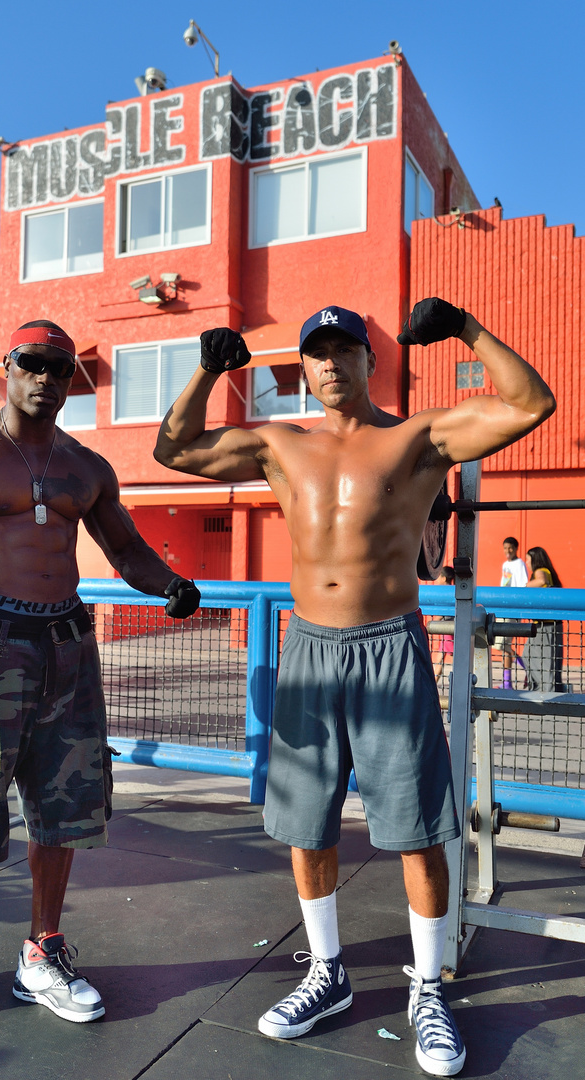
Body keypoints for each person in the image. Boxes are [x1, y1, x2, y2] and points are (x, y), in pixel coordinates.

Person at [154, 298, 555, 1077]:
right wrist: (207, 367)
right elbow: (174, 449)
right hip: (307, 648)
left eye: (344, 351)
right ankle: (326, 973)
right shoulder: (279, 443)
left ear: (371, 361)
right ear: (301, 368)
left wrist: (468, 328)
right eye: (316, 353)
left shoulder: (415, 437)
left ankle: (427, 988)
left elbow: (530, 404)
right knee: (308, 827)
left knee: (413, 827)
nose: (330, 364)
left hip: (386, 647)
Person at [0, 320, 200, 1031]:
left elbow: (124, 548)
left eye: (62, 368)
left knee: (62, 802)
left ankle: (42, 951)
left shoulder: (86, 467)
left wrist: (169, 584)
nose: (47, 378)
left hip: (67, 646)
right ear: (8, 367)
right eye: (33, 363)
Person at [522, 546, 564, 692]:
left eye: (528, 559)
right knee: (527, 654)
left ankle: (548, 692)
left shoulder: (541, 571)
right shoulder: (547, 572)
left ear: (535, 559)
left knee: (547, 662)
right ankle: (538, 687)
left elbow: (541, 581)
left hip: (546, 626)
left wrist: (523, 587)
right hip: (541, 625)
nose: (526, 562)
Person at [498, 537, 529, 688]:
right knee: (502, 645)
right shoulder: (505, 565)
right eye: (505, 548)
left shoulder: (520, 564)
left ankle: (507, 683)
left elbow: (524, 585)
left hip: (513, 608)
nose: (507, 551)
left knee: (504, 645)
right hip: (504, 607)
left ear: (516, 548)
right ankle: (527, 669)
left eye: (510, 548)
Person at [432, 566, 455, 683]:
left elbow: (442, 611)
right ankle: (434, 681)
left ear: (444, 578)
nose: (436, 580)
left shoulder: (445, 592)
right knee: (442, 656)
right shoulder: (454, 590)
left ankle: (434, 682)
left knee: (443, 656)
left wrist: (433, 623)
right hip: (452, 627)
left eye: (438, 577)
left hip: (448, 628)